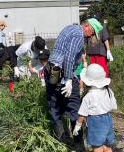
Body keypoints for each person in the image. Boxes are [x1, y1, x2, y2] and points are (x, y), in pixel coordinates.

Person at [44, 18, 103, 152]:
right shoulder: (78, 34)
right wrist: (69, 79)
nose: (91, 36)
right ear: (87, 26)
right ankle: (79, 147)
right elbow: (69, 56)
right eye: (92, 32)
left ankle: (62, 142)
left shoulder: (70, 28)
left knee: (54, 106)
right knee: (74, 108)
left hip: (52, 71)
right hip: (63, 73)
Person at [73, 63, 117, 152]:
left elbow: (83, 114)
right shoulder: (108, 91)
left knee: (97, 147)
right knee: (107, 146)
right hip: (107, 119)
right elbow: (113, 106)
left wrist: (78, 125)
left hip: (95, 122)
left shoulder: (89, 96)